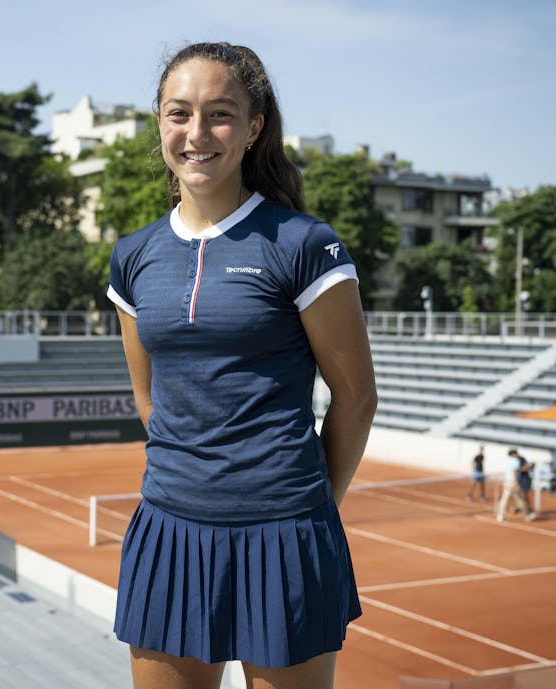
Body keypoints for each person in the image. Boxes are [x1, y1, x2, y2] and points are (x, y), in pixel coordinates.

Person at [107, 42, 377, 689]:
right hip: (169, 532)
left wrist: (306, 509)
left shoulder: (304, 244)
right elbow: (152, 401)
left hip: (284, 536)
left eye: (220, 114)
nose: (197, 133)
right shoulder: (132, 255)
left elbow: (356, 397)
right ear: (160, 124)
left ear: (254, 127)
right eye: (179, 114)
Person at [498, 449, 537, 522]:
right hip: (513, 483)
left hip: (507, 482)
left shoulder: (506, 461)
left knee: (504, 500)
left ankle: (500, 516)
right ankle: (527, 515)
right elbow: (515, 471)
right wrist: (516, 481)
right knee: (520, 500)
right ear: (514, 454)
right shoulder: (515, 461)